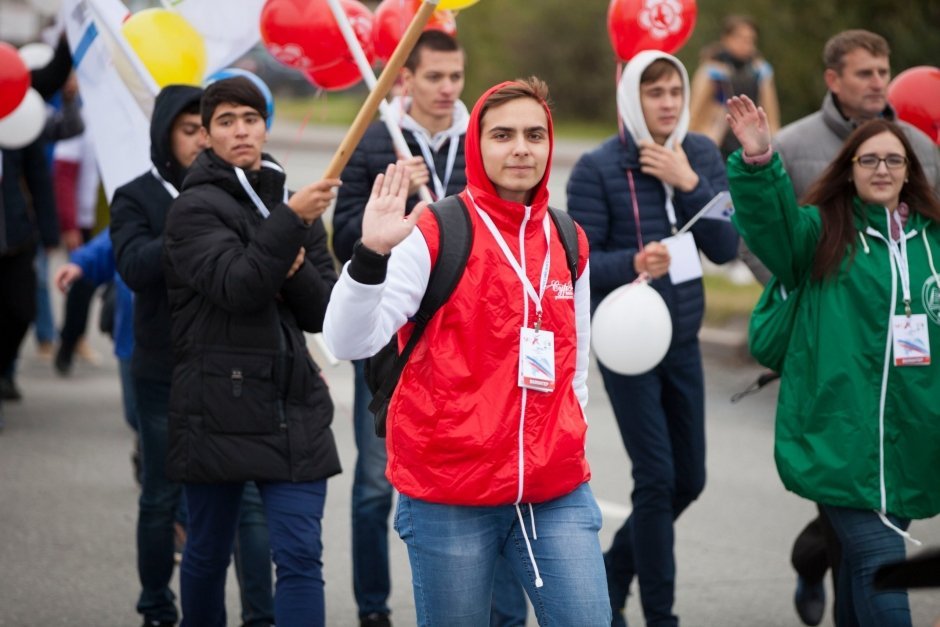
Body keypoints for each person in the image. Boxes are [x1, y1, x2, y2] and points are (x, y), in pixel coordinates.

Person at [324, 77, 610, 627]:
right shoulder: (435, 229)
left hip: (553, 489)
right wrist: (370, 254)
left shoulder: (569, 238)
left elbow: (576, 363)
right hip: (449, 490)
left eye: (534, 134)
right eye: (502, 135)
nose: (521, 148)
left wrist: (568, 434)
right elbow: (347, 341)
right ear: (477, 146)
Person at [332, 30, 527, 627]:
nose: (447, 89)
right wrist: (385, 216)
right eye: (434, 77)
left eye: (456, 77)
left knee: (481, 478)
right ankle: (372, 608)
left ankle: (499, 612)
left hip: (472, 338)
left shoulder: (483, 139)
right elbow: (343, 240)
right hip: (396, 333)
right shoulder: (373, 142)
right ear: (404, 80)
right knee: (374, 483)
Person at [726, 93, 940, 627]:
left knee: (856, 576)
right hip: (837, 439)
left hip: (909, 444)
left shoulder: (933, 242)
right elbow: (771, 227)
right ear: (848, 171)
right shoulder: (822, 233)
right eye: (869, 159)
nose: (882, 169)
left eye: (895, 159)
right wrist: (759, 163)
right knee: (879, 561)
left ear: (911, 171)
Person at [566, 51, 739, 627]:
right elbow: (579, 265)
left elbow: (723, 245)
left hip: (682, 338)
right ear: (630, 99)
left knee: (689, 479)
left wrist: (687, 183)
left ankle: (610, 576)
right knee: (658, 479)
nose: (666, 103)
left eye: (673, 92)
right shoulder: (596, 168)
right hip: (626, 346)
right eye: (653, 92)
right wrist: (634, 261)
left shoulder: (701, 154)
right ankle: (660, 616)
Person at [162, 76, 341, 627]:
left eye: (250, 118)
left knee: (300, 559)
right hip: (216, 405)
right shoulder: (193, 209)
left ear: (266, 125)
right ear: (208, 138)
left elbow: (324, 313)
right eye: (225, 121)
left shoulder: (292, 203)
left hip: (292, 406)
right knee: (208, 552)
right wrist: (289, 230)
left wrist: (295, 261)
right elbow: (238, 287)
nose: (240, 130)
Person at [110, 83, 275, 627]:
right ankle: (156, 605)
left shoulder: (247, 188)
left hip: (237, 369)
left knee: (249, 502)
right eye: (191, 131)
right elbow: (134, 265)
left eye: (208, 128)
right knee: (162, 496)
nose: (203, 139)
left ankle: (260, 614)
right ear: (167, 136)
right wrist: (192, 229)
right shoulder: (137, 195)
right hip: (164, 368)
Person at [688, 15, 780, 159]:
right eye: (740, 38)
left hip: (749, 144)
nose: (746, 44)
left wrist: (773, 144)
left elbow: (771, 114)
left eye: (750, 40)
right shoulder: (711, 71)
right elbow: (695, 110)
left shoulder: (760, 72)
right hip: (715, 141)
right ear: (726, 38)